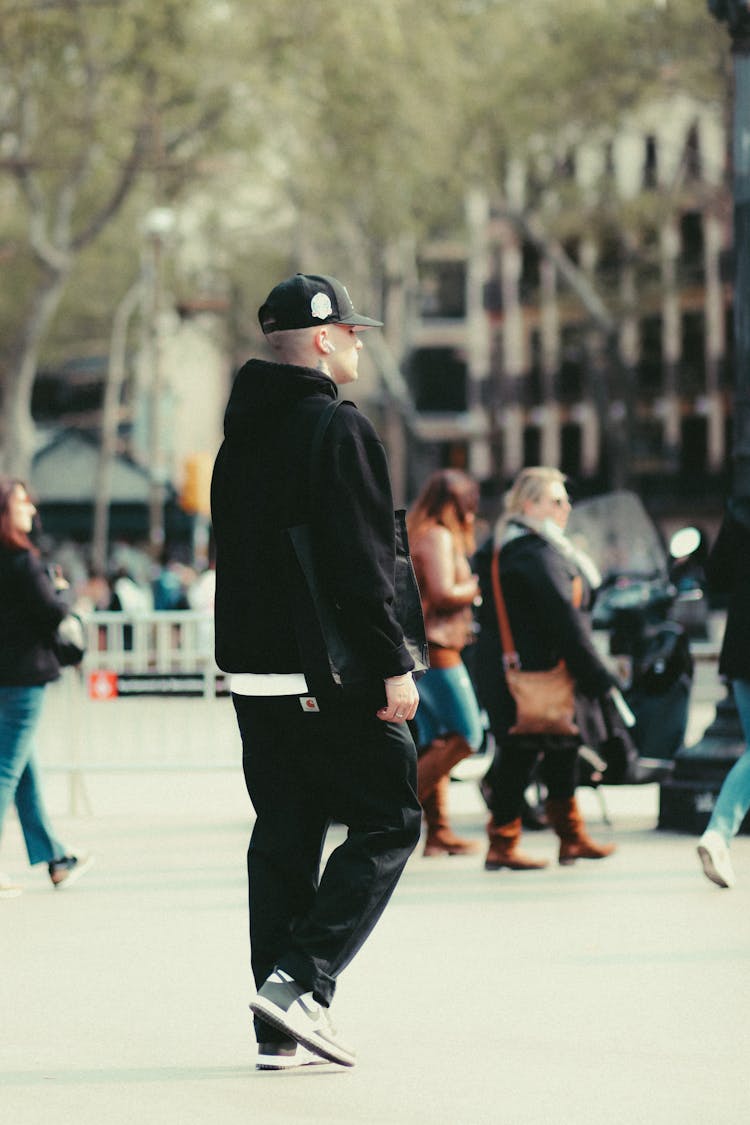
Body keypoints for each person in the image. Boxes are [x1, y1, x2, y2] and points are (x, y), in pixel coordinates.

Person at [211, 273, 422, 1071]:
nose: (361, 343)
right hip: (329, 674)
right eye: (354, 332)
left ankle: (276, 1030)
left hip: (256, 674)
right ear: (325, 337)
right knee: (390, 818)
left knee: (285, 838)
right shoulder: (337, 429)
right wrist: (393, 665)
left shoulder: (240, 438)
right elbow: (362, 567)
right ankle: (302, 982)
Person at [473, 467, 618, 871]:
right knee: (522, 752)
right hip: (531, 672)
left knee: (561, 746)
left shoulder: (517, 546)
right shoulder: (533, 553)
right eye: (556, 500)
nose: (566, 507)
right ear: (529, 505)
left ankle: (570, 837)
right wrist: (596, 672)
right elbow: (564, 619)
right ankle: (503, 843)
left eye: (566, 499)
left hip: (530, 668)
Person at [0, 476, 94, 897]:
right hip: (22, 680)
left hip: (7, 677)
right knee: (6, 770)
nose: (30, 509)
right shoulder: (23, 563)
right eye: (21, 503)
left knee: (22, 772)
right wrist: (59, 592)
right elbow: (52, 612)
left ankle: (55, 858)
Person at [407, 469, 484, 856]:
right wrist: (475, 586)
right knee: (469, 735)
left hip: (432, 649)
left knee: (435, 740)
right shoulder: (437, 535)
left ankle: (438, 833)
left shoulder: (425, 531)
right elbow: (442, 592)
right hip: (438, 650)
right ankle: (395, 808)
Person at [696, 498, 750, 889]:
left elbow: (716, 576)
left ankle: (718, 835)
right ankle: (718, 833)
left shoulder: (740, 509)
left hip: (743, 645)